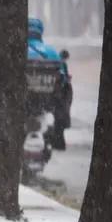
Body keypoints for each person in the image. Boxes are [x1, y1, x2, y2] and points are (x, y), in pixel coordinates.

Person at [27, 17, 72, 150]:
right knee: (67, 88)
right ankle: (60, 131)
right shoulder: (51, 52)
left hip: (24, 100)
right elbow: (63, 78)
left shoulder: (17, 51)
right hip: (49, 101)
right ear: (40, 32)